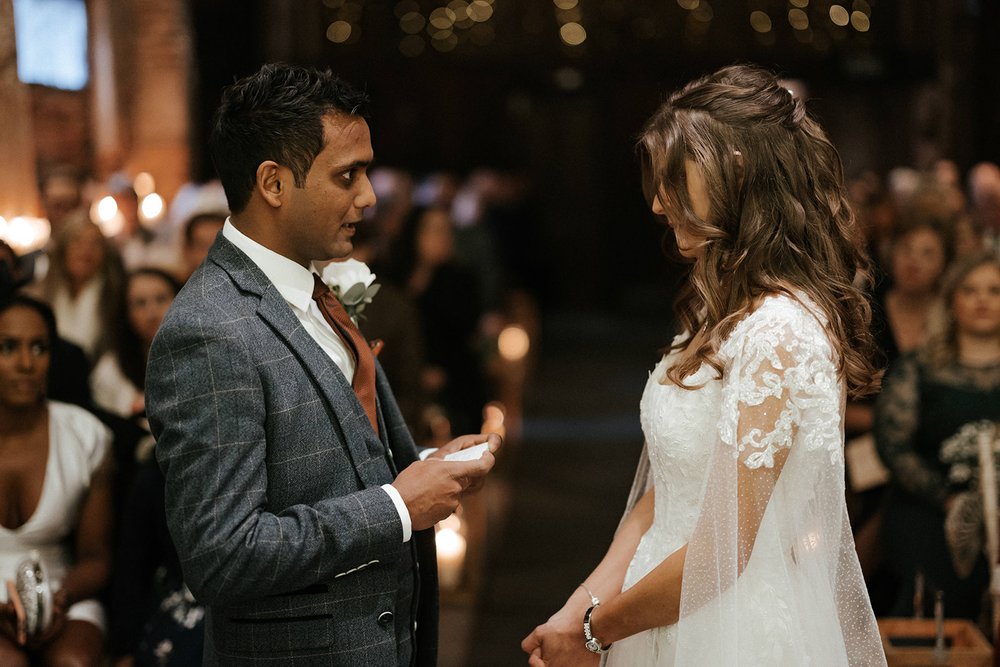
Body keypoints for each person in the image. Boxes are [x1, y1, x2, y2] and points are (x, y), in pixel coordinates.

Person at [522, 64, 886, 666]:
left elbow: (724, 548)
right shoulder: (722, 311)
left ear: (735, 170)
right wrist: (582, 604)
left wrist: (594, 631)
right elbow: (666, 491)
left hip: (729, 626)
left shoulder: (779, 332)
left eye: (674, 180)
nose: (660, 203)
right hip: (656, 602)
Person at [145, 63, 501, 666]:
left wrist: (417, 466)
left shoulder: (310, 288)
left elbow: (332, 458)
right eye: (348, 175)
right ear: (274, 183)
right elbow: (221, 555)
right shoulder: (209, 330)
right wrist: (396, 507)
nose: (368, 196)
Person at [874, 252, 1000, 620]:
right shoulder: (918, 369)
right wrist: (949, 500)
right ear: (951, 302)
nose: (982, 300)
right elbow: (893, 447)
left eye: (994, 291)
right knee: (941, 595)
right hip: (929, 510)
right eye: (970, 290)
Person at [0, 294, 113, 666]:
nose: (25, 363)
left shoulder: (85, 434)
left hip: (64, 588)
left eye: (39, 347)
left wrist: (57, 598)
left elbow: (96, 556)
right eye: (8, 347)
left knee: (73, 663)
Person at [28, 213, 126, 362]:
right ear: (63, 249)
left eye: (95, 244)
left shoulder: (117, 296)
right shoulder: (39, 296)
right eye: (77, 242)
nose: (86, 251)